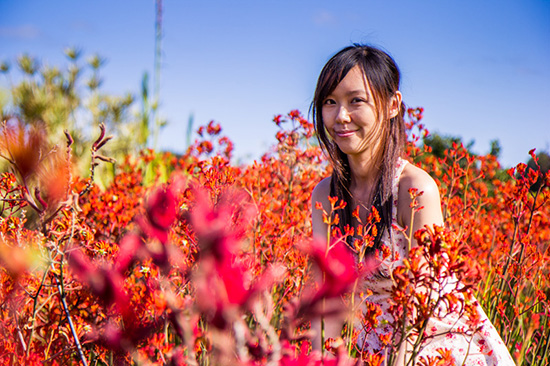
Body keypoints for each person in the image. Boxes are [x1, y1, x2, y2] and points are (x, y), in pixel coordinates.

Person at [310, 44, 515, 365]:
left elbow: (421, 306)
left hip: (433, 341)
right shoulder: (325, 194)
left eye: (356, 101)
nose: (341, 116)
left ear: (392, 105)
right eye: (330, 102)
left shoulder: (415, 189)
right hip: (368, 341)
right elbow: (324, 294)